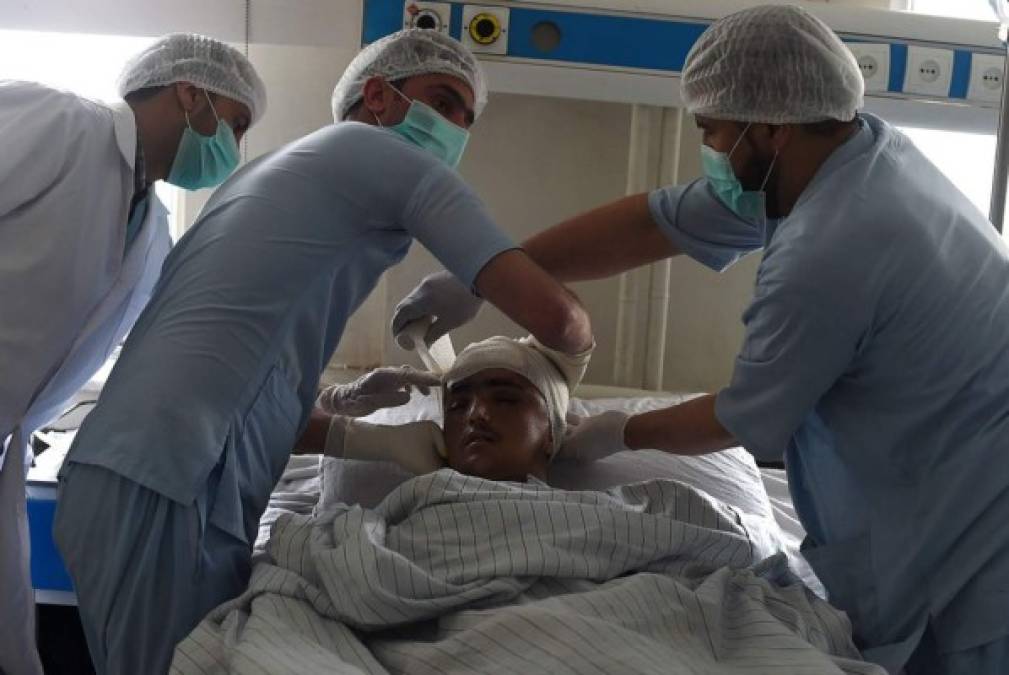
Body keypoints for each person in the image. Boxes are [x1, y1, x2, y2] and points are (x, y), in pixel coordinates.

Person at [390, 6, 1009, 674]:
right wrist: (487, 274)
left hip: (968, 556)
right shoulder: (846, 155)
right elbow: (652, 223)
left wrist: (617, 431)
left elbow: (745, 417)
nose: (708, 148)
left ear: (769, 128)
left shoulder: (831, 247)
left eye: (710, 129)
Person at [54, 29, 592, 674]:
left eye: (466, 119)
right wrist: (567, 358)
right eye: (442, 102)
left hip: (131, 474)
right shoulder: (385, 154)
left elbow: (236, 371)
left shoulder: (271, 173)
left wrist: (355, 428)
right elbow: (560, 319)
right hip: (171, 484)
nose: (453, 128)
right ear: (378, 96)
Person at [0, 33, 264, 675]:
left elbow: (169, 347)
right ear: (190, 93)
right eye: (236, 124)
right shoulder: (61, 123)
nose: (234, 149)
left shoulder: (154, 233)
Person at [298, 335, 592, 481]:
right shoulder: (396, 515)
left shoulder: (591, 518)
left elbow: (570, 326)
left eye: (505, 399)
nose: (475, 415)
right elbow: (272, 426)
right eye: (458, 405)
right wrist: (332, 402)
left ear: (552, 432)